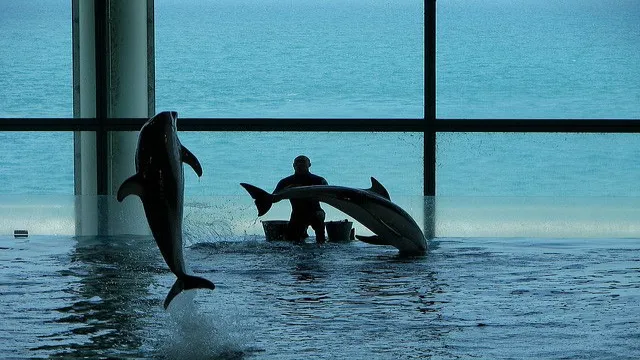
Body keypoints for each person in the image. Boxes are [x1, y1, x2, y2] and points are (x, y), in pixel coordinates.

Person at [274, 155, 328, 243]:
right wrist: (285, 191)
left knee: (320, 238)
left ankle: (320, 242)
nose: (300, 164)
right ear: (293, 165)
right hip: (297, 213)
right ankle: (303, 235)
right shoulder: (286, 182)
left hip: (315, 211)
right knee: (291, 240)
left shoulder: (319, 180)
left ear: (309, 165)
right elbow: (274, 198)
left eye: (303, 162)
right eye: (298, 162)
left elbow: (329, 197)